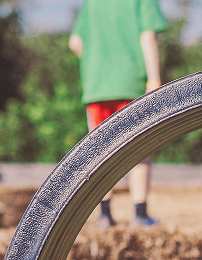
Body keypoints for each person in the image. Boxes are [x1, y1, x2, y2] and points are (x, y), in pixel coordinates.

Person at [69, 0, 168, 229]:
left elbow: (75, 43)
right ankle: (140, 214)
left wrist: (98, 63)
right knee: (140, 150)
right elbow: (148, 37)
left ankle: (104, 215)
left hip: (96, 88)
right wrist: (154, 80)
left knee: (100, 152)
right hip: (130, 85)